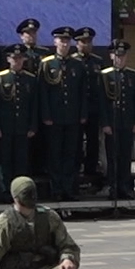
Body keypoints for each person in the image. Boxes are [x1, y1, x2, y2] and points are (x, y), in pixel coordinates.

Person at [36, 27, 88, 200]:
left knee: (70, 154)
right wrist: (46, 115)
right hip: (54, 118)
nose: (64, 44)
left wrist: (82, 113)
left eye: (67, 41)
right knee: (55, 155)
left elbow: (82, 92)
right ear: (55, 42)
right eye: (61, 40)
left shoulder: (77, 65)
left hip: (72, 116)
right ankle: (56, 189)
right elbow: (42, 93)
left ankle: (68, 188)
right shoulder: (47, 64)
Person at [0, 48, 39, 188]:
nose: (17, 61)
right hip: (5, 127)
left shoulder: (30, 79)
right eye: (14, 58)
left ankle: (21, 189)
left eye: (20, 58)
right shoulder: (0, 77)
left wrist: (32, 126)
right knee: (4, 160)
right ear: (8, 59)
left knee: (21, 160)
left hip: (23, 126)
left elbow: (34, 105)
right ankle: (5, 189)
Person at [97, 41, 135, 200]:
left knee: (126, 156)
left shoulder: (132, 75)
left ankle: (125, 187)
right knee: (113, 156)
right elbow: (102, 101)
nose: (120, 59)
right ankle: (113, 187)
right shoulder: (105, 75)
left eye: (123, 56)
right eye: (117, 56)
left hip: (127, 121)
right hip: (112, 123)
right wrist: (105, 123)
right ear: (112, 56)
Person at [71, 27, 105, 189]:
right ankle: (76, 169)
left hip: (94, 108)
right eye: (83, 42)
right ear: (77, 44)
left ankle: (91, 169)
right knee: (76, 142)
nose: (87, 45)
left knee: (93, 141)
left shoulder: (97, 61)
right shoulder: (72, 61)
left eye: (89, 42)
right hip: (76, 109)